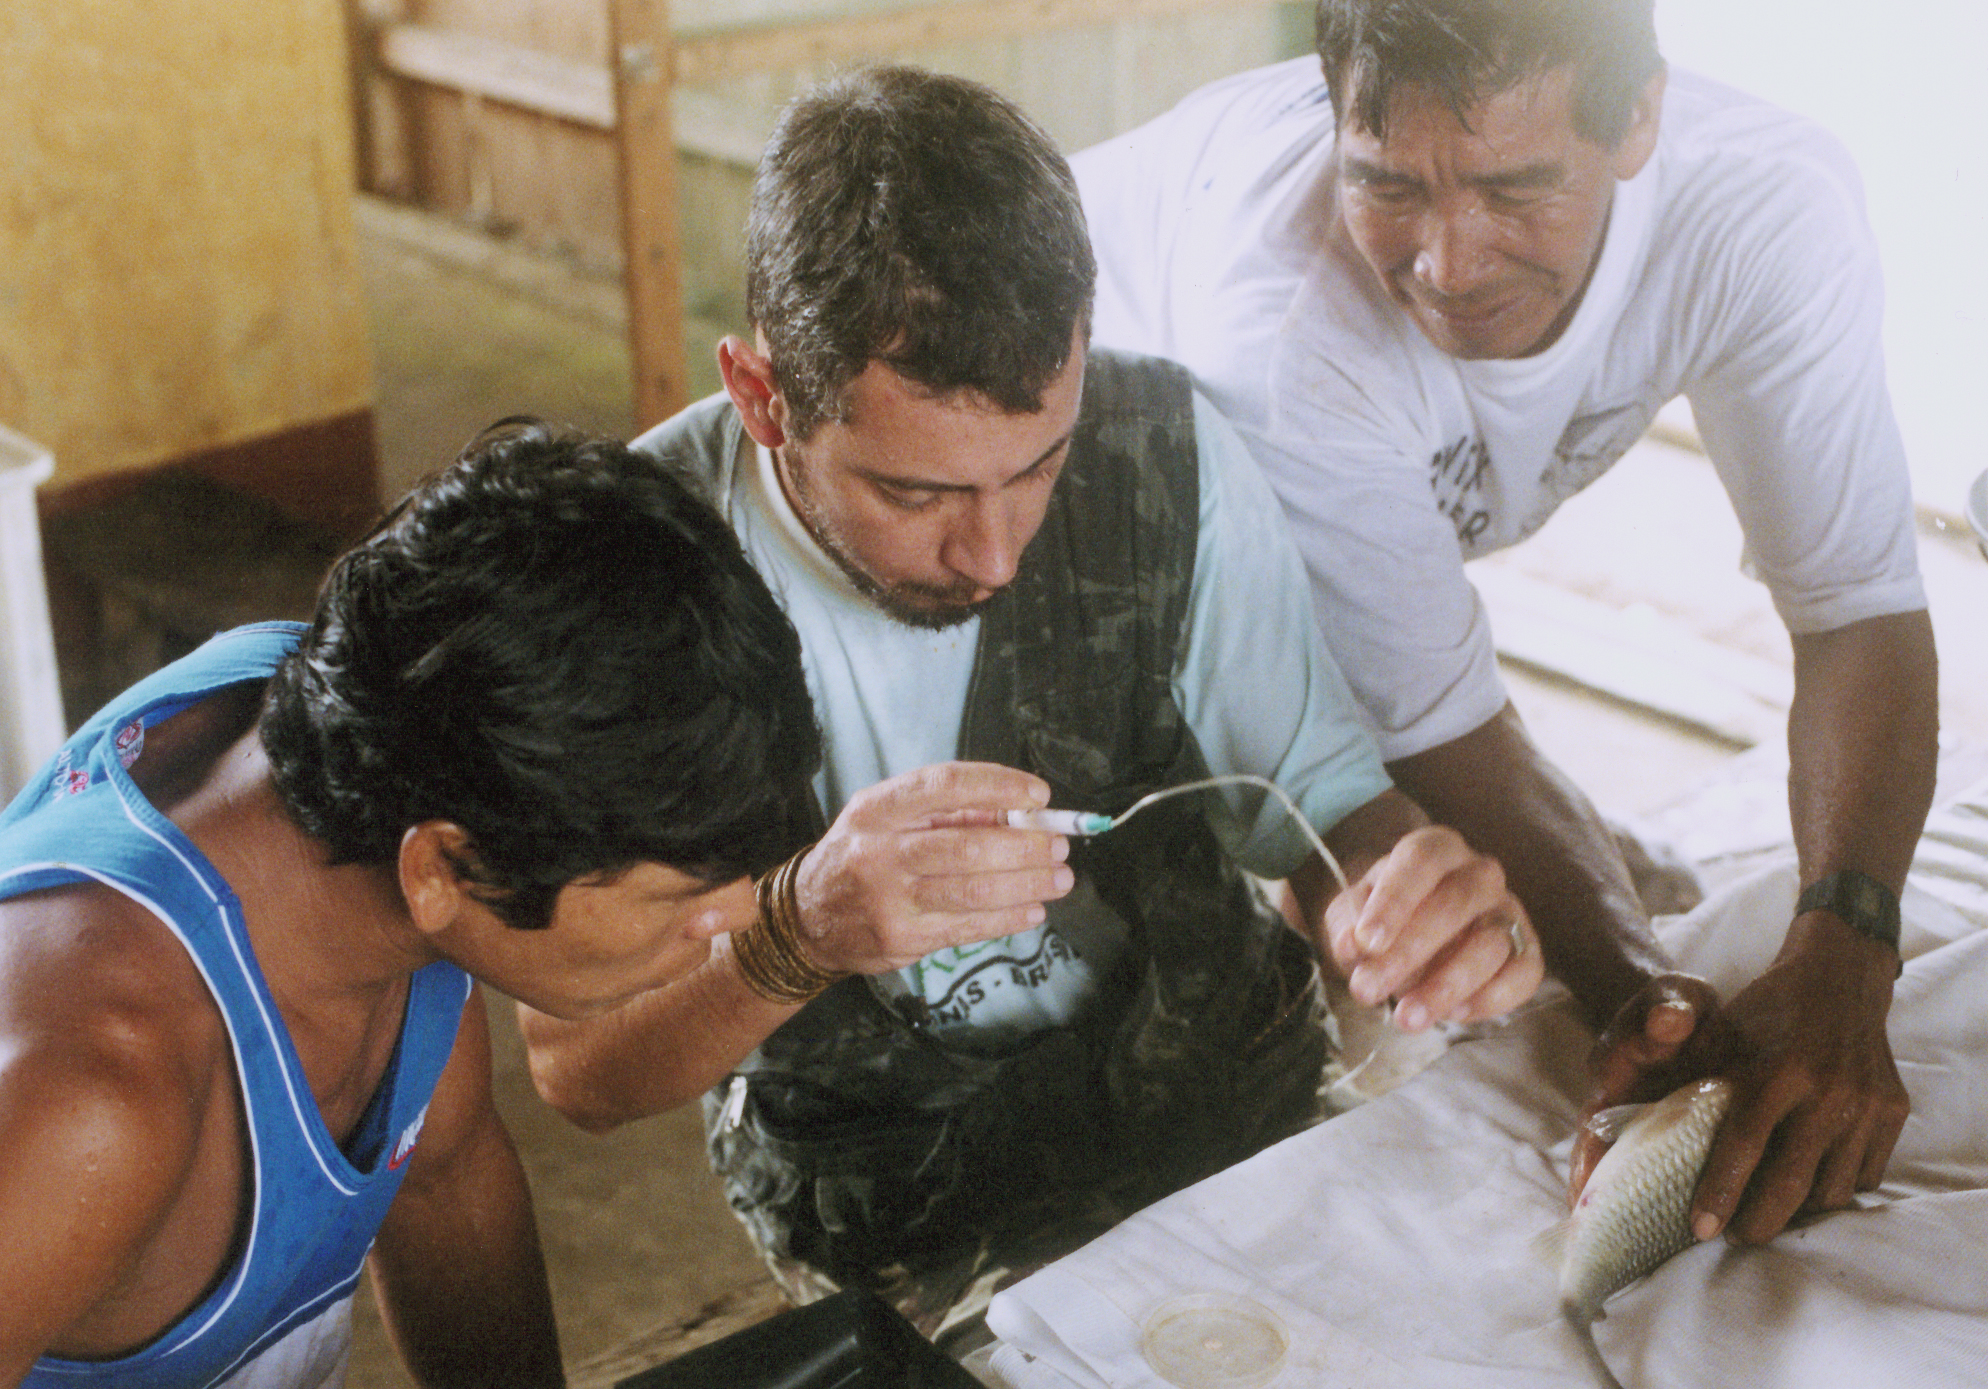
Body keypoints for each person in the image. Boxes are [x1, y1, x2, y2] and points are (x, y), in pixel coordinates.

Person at [522, 65, 1543, 1341]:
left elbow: (1321, 817)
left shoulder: (1163, 452)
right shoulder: (634, 578)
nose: (995, 556)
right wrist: (799, 933)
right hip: (895, 1198)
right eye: (915, 494)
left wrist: (1404, 910)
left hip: (1222, 1093)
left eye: (1039, 466)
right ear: (761, 396)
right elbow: (577, 1069)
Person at [1071, 0, 1937, 1248]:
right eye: (1386, 186)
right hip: (1076, 546)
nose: (1447, 263)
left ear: (1637, 120)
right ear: (1329, 113)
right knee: (1292, 961)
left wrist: (1846, 950)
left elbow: (1854, 608)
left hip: (1282, 493)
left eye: (1516, 189)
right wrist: (1645, 999)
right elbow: (1440, 734)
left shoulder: (1761, 207)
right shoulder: (1275, 327)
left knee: (1503, 904)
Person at [0, 421, 822, 1388]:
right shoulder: (90, 1104)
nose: (732, 918)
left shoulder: (391, 731)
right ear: (441, 866)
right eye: (681, 896)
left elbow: (444, 1174)